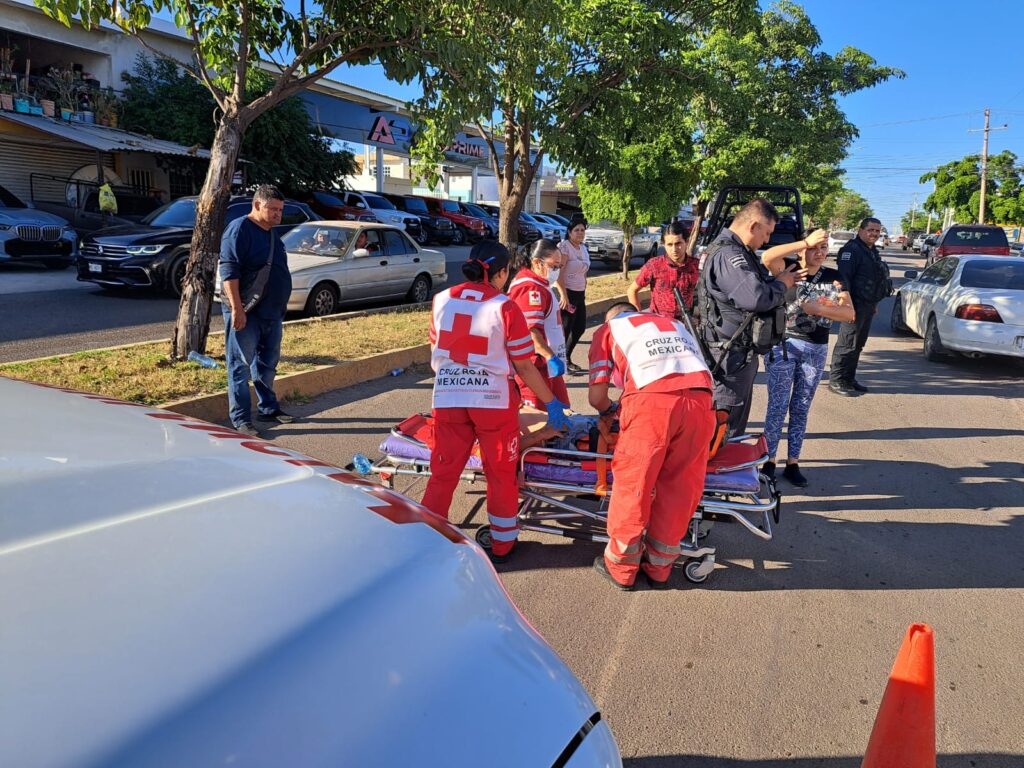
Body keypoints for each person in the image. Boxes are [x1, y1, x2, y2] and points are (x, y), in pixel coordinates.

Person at [420, 241, 571, 563]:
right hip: (492, 402)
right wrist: (551, 402)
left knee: (443, 472)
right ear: (502, 272)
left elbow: (436, 346)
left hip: (447, 397)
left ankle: (428, 538)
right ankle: (502, 544)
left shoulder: (441, 300)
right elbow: (524, 365)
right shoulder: (505, 306)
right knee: (500, 474)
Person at [588, 302, 716, 590]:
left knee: (635, 486)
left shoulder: (609, 329)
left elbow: (597, 398)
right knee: (679, 488)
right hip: (701, 403)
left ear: (614, 316)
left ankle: (621, 570)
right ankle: (659, 569)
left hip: (651, 405)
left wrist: (611, 412)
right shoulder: (676, 326)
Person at [697, 199, 804, 437]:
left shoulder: (736, 251)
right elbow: (754, 298)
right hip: (728, 355)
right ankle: (724, 471)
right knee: (725, 427)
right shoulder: (729, 254)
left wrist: (776, 281)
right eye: (766, 233)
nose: (766, 240)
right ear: (753, 225)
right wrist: (781, 284)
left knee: (729, 420)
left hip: (734, 351)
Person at [760, 228, 854, 487]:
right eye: (814, 247)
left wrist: (818, 308)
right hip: (784, 346)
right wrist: (802, 242)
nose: (819, 253)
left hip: (815, 348)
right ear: (803, 248)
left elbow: (849, 313)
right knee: (777, 406)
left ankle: (793, 462)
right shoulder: (789, 269)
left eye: (823, 248)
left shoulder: (834, 277)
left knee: (801, 407)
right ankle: (769, 460)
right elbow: (767, 257)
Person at [219, 184, 294, 437]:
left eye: (280, 210)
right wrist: (237, 310)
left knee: (267, 363)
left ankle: (268, 408)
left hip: (272, 313)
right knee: (239, 365)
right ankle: (241, 420)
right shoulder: (239, 229)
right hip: (246, 312)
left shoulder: (272, 233)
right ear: (257, 205)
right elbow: (229, 272)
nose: (277, 214)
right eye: (272, 209)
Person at [829, 217, 891, 397]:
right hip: (853, 305)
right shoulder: (851, 250)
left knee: (858, 344)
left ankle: (849, 378)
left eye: (877, 231)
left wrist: (873, 304)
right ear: (861, 230)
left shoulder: (871, 251)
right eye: (871, 230)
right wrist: (846, 305)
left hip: (867, 305)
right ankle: (837, 380)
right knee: (847, 343)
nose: (874, 234)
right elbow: (843, 279)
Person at [507, 239, 570, 409]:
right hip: (534, 367)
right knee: (540, 421)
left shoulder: (540, 285)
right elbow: (530, 331)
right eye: (554, 266)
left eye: (559, 267)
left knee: (561, 416)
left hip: (545, 365)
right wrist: (550, 357)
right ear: (537, 262)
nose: (556, 271)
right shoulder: (530, 288)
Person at [627, 220, 700, 318]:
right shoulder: (654, 265)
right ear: (664, 244)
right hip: (659, 324)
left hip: (685, 325)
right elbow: (632, 290)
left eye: (678, 243)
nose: (674, 249)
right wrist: (638, 317)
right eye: (669, 245)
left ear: (686, 242)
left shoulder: (696, 265)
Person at [557, 217, 591, 375]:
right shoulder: (565, 247)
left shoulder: (583, 248)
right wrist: (563, 295)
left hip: (580, 293)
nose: (580, 233)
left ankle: (567, 358)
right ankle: (560, 363)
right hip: (568, 293)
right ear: (569, 232)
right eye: (576, 230)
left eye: (582, 230)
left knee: (579, 328)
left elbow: (584, 271)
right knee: (565, 328)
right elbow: (558, 274)